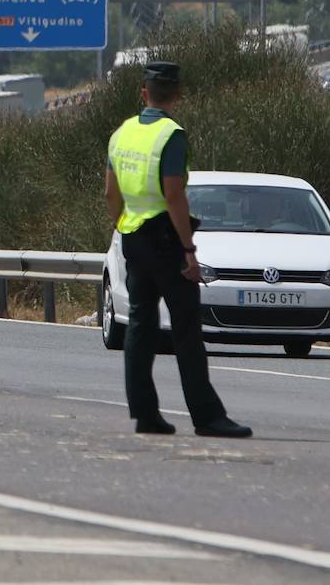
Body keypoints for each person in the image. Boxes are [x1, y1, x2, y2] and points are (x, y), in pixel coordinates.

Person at [104, 62, 251, 438]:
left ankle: (145, 413)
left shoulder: (122, 134)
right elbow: (174, 195)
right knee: (186, 328)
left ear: (143, 93)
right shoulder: (172, 134)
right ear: (178, 94)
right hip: (165, 238)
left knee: (141, 323)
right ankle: (207, 417)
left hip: (132, 235)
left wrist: (121, 227)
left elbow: (110, 192)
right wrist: (189, 250)